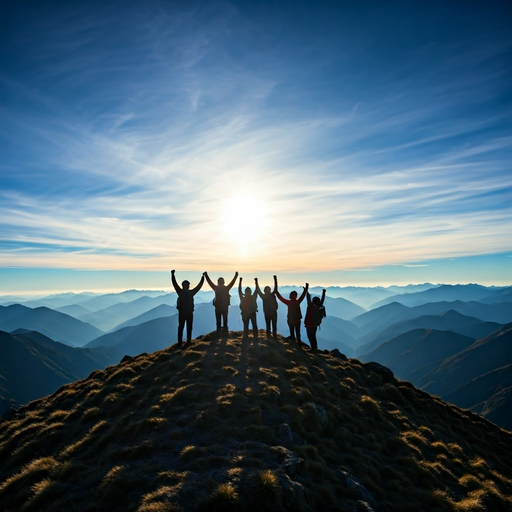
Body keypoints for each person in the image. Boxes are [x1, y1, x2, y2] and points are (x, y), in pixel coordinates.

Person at [170, 270, 205, 348]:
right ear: (188, 286)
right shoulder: (191, 293)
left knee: (181, 327)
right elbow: (199, 286)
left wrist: (172, 274)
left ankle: (179, 343)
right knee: (189, 327)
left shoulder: (180, 292)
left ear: (182, 285)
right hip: (189, 313)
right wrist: (203, 278)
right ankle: (188, 341)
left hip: (181, 313)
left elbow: (174, 283)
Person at [275, 277, 309, 347]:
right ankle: (298, 343)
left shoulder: (288, 302)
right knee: (298, 332)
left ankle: (293, 343)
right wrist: (306, 289)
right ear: (296, 296)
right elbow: (302, 296)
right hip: (297, 320)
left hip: (290, 320)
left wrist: (276, 292)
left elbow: (280, 298)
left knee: (292, 332)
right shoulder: (297, 302)